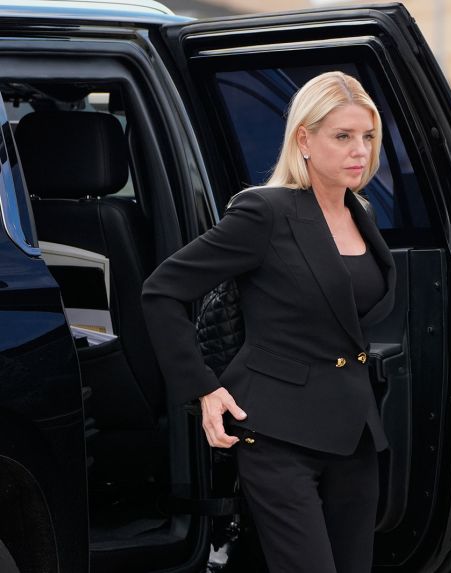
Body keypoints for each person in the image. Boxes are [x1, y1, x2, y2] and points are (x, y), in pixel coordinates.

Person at [141, 71, 395, 573]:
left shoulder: (360, 211)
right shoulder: (265, 212)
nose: (359, 151)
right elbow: (162, 291)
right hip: (278, 434)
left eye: (367, 137)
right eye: (342, 136)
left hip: (355, 434)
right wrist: (204, 389)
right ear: (304, 138)